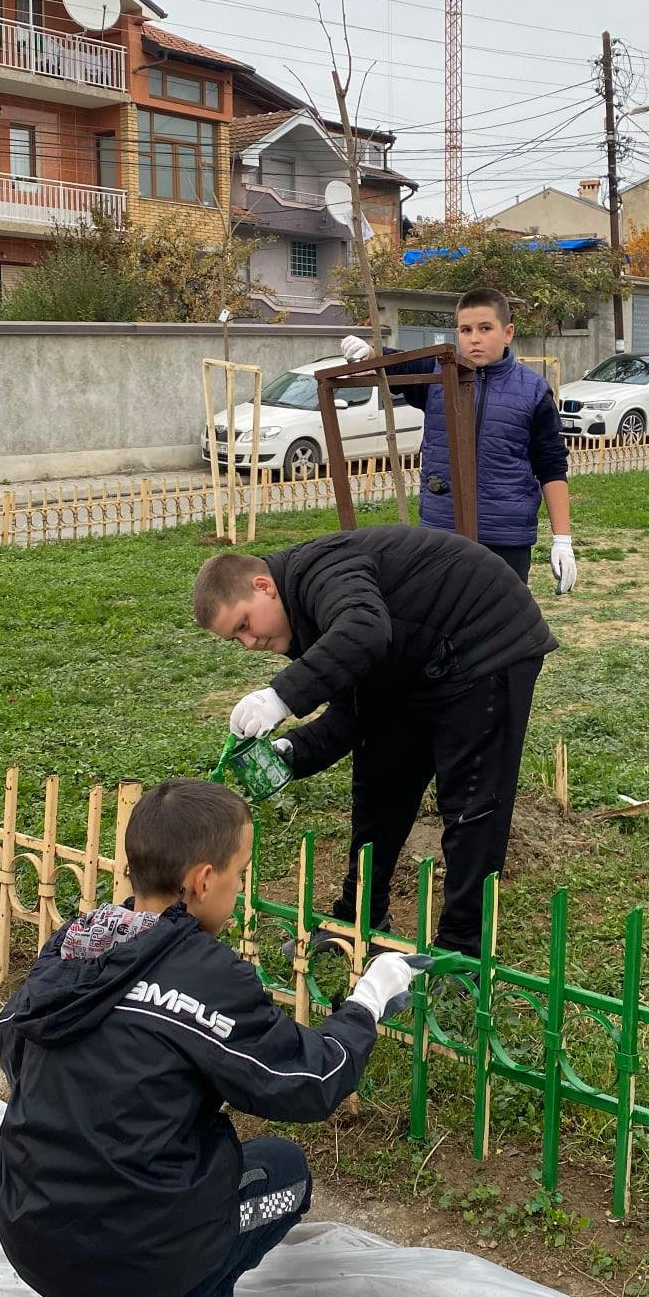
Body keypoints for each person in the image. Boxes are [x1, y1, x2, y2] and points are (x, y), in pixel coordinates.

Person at [0, 778, 422, 1297]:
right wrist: (366, 1002)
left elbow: (8, 1043)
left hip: (26, 1231)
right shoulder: (205, 977)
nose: (240, 890)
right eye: (239, 874)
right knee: (283, 1173)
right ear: (200, 880)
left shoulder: (76, 944)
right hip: (136, 1250)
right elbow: (310, 1083)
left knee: (94, 1148)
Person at [194, 525, 556, 956]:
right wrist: (291, 753)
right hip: (414, 667)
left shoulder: (322, 570)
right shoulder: (304, 621)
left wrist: (282, 695)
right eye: (236, 639)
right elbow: (355, 712)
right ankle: (359, 919)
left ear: (263, 586)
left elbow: (365, 629)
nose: (250, 642)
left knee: (471, 805)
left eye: (245, 625)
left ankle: (463, 952)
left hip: (485, 642)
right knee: (379, 787)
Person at [341, 286, 577, 592]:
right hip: (442, 531)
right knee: (444, 624)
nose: (474, 338)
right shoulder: (437, 374)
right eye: (466, 330)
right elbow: (397, 363)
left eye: (485, 328)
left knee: (501, 626)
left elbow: (551, 466)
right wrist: (369, 352)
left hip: (505, 537)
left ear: (508, 333)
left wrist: (562, 540)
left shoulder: (532, 391)